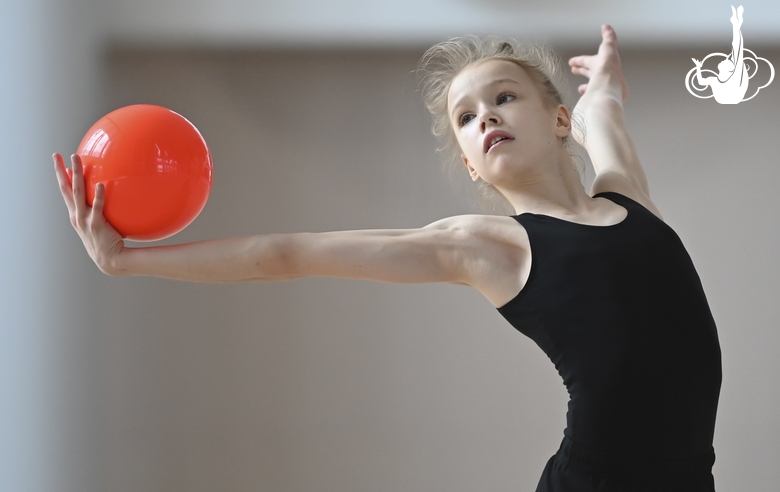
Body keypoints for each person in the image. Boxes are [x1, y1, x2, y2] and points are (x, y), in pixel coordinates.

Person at [54, 25, 721, 492]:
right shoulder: (487, 247)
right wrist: (129, 261)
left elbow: (603, 110)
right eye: (466, 117)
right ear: (469, 162)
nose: (484, 116)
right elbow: (287, 254)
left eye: (504, 96)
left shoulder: (626, 195)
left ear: (556, 120)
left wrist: (602, 79)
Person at [692, 5, 748, 104]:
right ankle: (736, 24)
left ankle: (736, 24)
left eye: (727, 61)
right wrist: (698, 67)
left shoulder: (734, 77)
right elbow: (701, 82)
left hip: (733, 96)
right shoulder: (714, 80)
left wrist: (736, 26)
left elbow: (738, 49)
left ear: (729, 69)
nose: (724, 59)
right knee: (737, 51)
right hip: (727, 98)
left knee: (737, 50)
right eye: (727, 60)